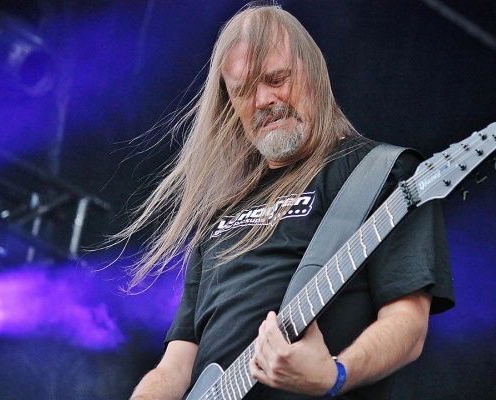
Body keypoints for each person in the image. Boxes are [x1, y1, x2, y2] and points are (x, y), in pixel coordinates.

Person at [123, 4, 454, 399]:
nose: (263, 99)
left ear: (313, 73)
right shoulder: (220, 215)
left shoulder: (382, 173)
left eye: (276, 79)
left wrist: (335, 375)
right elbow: (176, 365)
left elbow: (407, 322)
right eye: (243, 91)